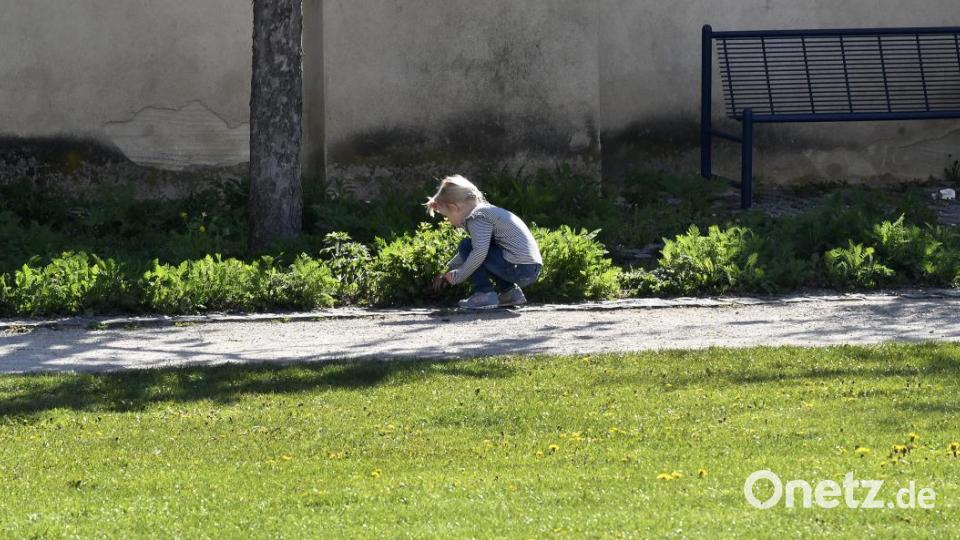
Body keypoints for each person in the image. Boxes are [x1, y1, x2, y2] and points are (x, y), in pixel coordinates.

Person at [425, 174, 543, 309]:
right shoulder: (487, 212)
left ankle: (484, 293)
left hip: (519, 268)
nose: (448, 221)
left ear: (454, 208)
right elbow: (478, 250)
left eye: (446, 216)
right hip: (529, 268)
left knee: (467, 245)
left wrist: (459, 275)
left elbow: (479, 252)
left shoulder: (477, 217)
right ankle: (510, 293)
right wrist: (450, 269)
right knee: (473, 247)